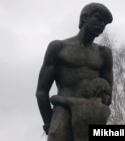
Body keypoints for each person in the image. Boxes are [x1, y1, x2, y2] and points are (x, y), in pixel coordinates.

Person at [35, 2, 113, 141]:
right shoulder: (59, 48)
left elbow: (108, 93)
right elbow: (41, 91)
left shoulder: (104, 53)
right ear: (84, 19)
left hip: (91, 116)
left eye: (105, 23)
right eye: (98, 19)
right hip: (62, 113)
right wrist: (48, 122)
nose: (102, 25)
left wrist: (96, 114)